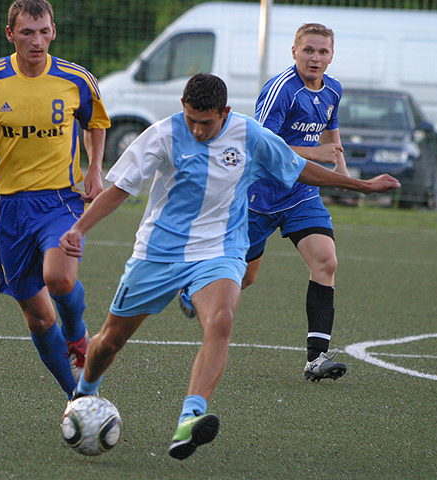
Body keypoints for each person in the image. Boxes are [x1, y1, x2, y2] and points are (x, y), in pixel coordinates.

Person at [60, 73, 399, 460]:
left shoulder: (248, 134)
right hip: (158, 253)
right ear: (183, 107)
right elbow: (120, 188)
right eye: (191, 119)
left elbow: (297, 168)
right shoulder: (162, 134)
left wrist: (361, 185)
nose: (197, 130)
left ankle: (190, 418)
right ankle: (84, 392)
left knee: (221, 320)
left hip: (220, 251)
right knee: (110, 341)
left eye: (206, 122)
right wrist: (79, 229)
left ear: (225, 112)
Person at [0, 0, 110, 400]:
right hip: (9, 208)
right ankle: (77, 397)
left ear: (53, 31)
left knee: (60, 278)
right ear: (10, 35)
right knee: (38, 319)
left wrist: (94, 169)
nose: (36, 41)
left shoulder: (76, 79)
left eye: (43, 32)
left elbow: (96, 122)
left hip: (61, 200)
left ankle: (77, 333)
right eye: (26, 33)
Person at [244, 23, 351, 382]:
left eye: (322, 52)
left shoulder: (333, 89)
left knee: (326, 261)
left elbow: (331, 131)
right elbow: (261, 146)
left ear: (331, 56)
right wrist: (314, 152)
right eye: (308, 50)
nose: (315, 58)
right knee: (244, 277)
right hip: (259, 197)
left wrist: (343, 174)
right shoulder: (281, 90)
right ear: (294, 52)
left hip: (301, 194)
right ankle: (194, 289)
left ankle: (316, 359)